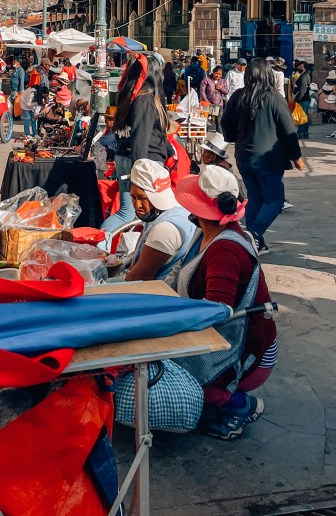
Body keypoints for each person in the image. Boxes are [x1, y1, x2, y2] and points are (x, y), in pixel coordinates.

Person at [172, 165, 277, 440]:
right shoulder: (207, 233)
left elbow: (216, 311)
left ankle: (240, 406)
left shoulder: (225, 249)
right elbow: (181, 271)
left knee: (175, 374)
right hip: (235, 338)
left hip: (249, 351)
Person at [221, 57, 304, 254]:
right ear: (268, 75)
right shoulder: (273, 98)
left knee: (256, 197)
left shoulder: (238, 96)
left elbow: (226, 123)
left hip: (244, 156)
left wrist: (234, 137)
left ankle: (254, 241)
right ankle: (253, 235)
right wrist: (296, 156)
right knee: (275, 200)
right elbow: (288, 130)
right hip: (268, 157)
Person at [105, 54, 171, 234]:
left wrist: (169, 151)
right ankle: (99, 245)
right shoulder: (145, 100)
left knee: (133, 212)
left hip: (128, 156)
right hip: (143, 160)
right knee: (131, 212)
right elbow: (141, 138)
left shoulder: (130, 96)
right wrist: (140, 171)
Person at [122, 159, 197, 282]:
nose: (137, 205)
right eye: (133, 197)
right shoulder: (174, 211)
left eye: (142, 198)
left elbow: (137, 278)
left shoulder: (165, 230)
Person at [199, 66, 228, 134]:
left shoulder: (223, 81)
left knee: (219, 121)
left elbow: (226, 92)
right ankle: (204, 135)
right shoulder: (206, 80)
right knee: (206, 121)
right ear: (213, 72)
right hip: (208, 104)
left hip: (219, 104)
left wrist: (221, 88)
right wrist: (206, 101)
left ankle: (220, 136)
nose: (217, 75)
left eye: (219, 74)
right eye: (216, 73)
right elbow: (202, 91)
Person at [292, 61, 312, 140]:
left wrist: (298, 99)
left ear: (305, 68)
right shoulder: (303, 75)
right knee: (304, 116)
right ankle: (305, 133)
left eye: (301, 67)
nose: (299, 68)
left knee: (302, 117)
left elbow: (303, 89)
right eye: (299, 66)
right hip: (305, 99)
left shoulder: (304, 77)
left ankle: (300, 133)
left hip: (303, 99)